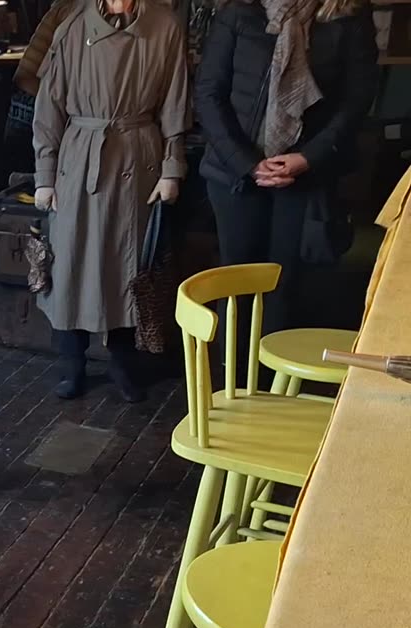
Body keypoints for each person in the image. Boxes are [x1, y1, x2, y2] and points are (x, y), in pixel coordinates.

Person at [195, 0, 378, 377]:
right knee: (237, 280)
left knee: (284, 285)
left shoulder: (347, 16)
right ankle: (230, 376)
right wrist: (247, 163)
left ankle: (268, 380)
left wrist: (306, 158)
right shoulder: (239, 12)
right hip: (235, 176)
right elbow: (209, 94)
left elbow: (355, 102)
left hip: (303, 178)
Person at [31, 0, 191, 403]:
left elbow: (176, 101)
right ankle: (72, 364)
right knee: (71, 263)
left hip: (139, 157)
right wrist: (45, 177)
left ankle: (122, 362)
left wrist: (173, 168)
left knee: (129, 265)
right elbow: (48, 107)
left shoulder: (166, 26)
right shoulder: (70, 26)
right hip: (80, 156)